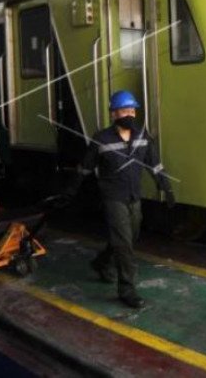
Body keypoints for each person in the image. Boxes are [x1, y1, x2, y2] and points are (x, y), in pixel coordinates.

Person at [65, 90, 175, 308]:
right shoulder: (102, 138)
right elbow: (85, 167)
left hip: (134, 196)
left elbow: (155, 165)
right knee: (124, 243)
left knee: (129, 237)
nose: (130, 115)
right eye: (125, 111)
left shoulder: (142, 136)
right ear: (114, 114)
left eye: (133, 110)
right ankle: (127, 289)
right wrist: (70, 190)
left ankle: (102, 262)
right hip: (113, 197)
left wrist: (166, 188)